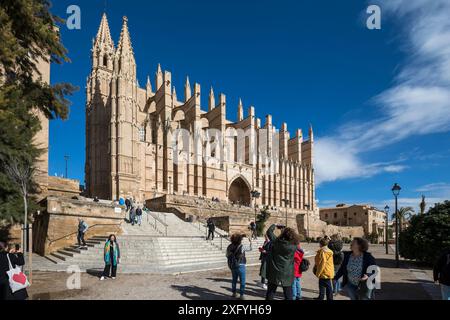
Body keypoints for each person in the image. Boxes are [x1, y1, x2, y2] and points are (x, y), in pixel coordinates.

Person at [265, 224, 300, 300]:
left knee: (270, 292)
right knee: (288, 294)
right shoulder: (294, 246)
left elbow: (269, 232)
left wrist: (275, 225)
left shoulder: (276, 242)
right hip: (288, 271)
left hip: (275, 270)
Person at [226, 233, 252, 300]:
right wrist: (250, 241)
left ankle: (234, 293)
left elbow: (227, 255)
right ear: (239, 240)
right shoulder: (242, 246)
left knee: (234, 280)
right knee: (242, 281)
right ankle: (241, 295)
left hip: (233, 266)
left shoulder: (229, 246)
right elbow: (250, 248)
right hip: (241, 265)